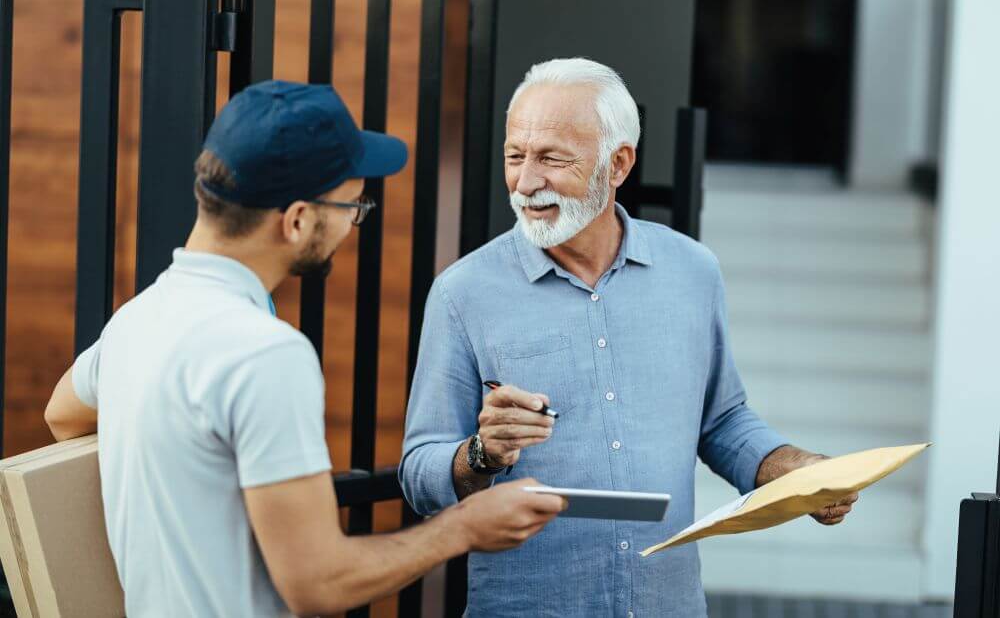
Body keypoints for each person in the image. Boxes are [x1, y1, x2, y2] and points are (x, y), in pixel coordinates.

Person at [43, 80, 564, 617]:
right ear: (296, 220)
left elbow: (62, 415)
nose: (352, 224)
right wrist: (463, 527)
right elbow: (318, 582)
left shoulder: (138, 320)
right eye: (352, 206)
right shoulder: (265, 353)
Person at [399, 58, 859, 617]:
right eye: (515, 156)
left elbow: (721, 421)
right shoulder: (461, 293)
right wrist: (480, 454)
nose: (524, 182)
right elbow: (419, 477)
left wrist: (793, 470)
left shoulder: (693, 271)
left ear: (617, 164)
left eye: (551, 159)